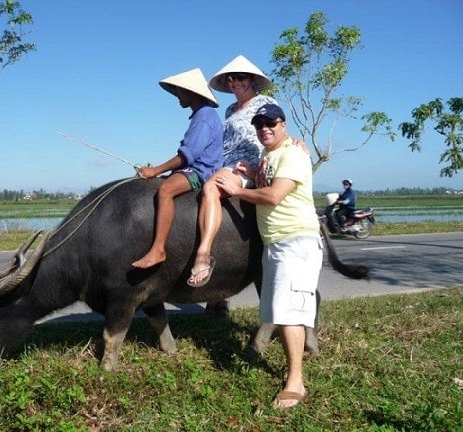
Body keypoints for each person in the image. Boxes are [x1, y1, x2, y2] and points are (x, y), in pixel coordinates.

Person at [215, 103, 321, 409]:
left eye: (271, 123)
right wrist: (252, 175)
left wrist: (236, 190)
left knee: (290, 315)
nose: (265, 129)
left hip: (296, 242)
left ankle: (295, 382)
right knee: (278, 309)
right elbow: (268, 184)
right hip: (275, 242)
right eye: (259, 125)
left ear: (283, 124)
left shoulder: (294, 154)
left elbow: (273, 195)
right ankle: (293, 373)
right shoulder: (268, 156)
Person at [187, 55, 277, 287]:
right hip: (223, 163)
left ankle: (203, 254)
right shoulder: (229, 110)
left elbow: (277, 131)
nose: (235, 82)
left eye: (240, 77)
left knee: (210, 188)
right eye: (230, 79)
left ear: (252, 80)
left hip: (245, 165)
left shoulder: (264, 102)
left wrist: (296, 143)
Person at [132, 68, 223, 269]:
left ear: (192, 92)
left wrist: (156, 170)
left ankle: (158, 250)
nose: (177, 97)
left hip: (202, 171)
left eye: (180, 92)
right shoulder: (200, 115)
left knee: (165, 190)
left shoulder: (205, 117)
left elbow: (187, 155)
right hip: (196, 167)